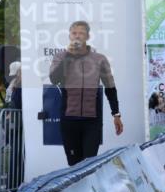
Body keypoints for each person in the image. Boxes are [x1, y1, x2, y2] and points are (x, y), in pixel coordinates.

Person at [49, 20, 124, 166]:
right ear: (69, 36)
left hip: (92, 122)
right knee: (74, 165)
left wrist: (116, 114)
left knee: (89, 165)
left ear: (88, 36)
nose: (77, 36)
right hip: (69, 120)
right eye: (74, 33)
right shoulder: (60, 56)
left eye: (81, 33)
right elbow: (54, 79)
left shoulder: (99, 59)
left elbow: (110, 87)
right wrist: (68, 56)